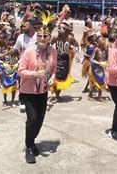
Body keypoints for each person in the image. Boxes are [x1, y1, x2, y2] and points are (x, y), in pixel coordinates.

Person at [17, 12, 57, 164]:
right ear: (37, 37)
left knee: (40, 120)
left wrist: (52, 77)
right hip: (28, 92)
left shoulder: (53, 52)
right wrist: (34, 74)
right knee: (32, 119)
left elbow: (53, 68)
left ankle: (32, 141)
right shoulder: (29, 52)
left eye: (45, 36)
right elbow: (20, 71)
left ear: (49, 38)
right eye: (40, 36)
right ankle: (28, 146)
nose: (42, 39)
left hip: (43, 91)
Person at [50, 20, 78, 103]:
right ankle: (57, 96)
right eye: (59, 28)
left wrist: (74, 51)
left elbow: (77, 45)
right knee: (55, 77)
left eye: (61, 28)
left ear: (66, 30)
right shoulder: (55, 37)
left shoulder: (70, 38)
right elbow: (50, 45)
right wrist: (51, 54)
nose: (59, 29)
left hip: (65, 59)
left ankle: (58, 94)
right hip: (57, 58)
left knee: (62, 78)